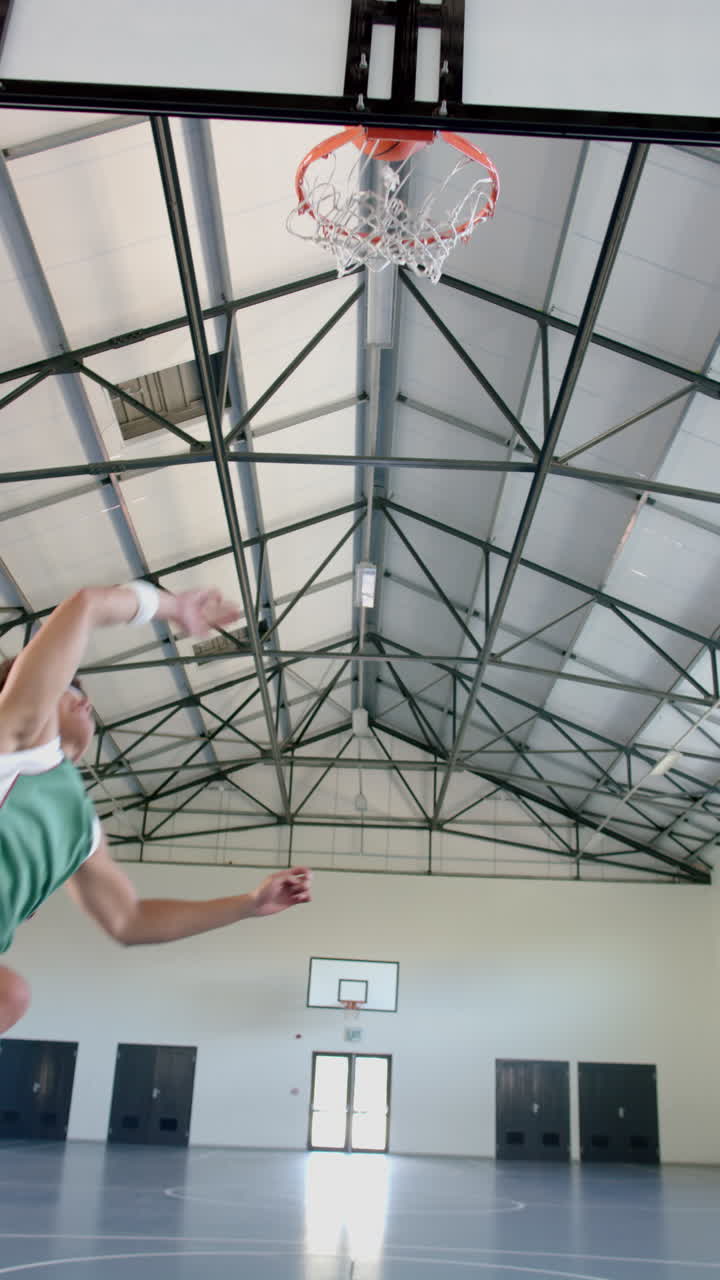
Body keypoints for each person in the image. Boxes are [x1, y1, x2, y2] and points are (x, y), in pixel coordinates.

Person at [0, 580, 312, 1033]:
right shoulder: (16, 741)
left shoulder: (82, 828)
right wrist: (173, 606)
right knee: (11, 993)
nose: (86, 700)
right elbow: (85, 606)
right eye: (69, 687)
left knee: (10, 996)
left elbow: (130, 920)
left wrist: (248, 903)